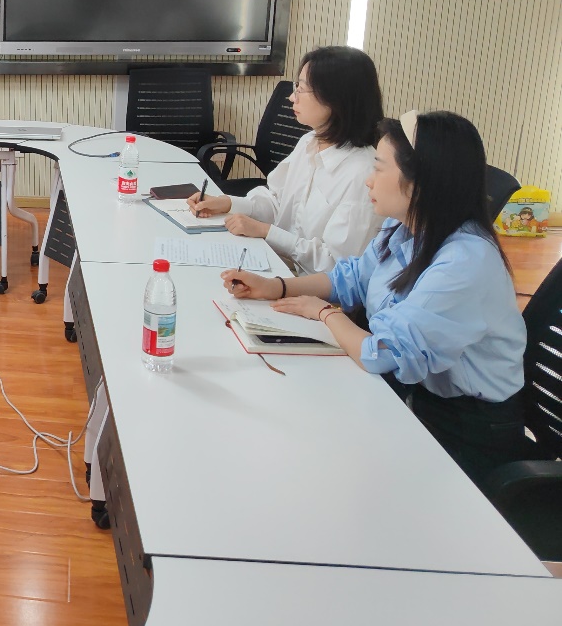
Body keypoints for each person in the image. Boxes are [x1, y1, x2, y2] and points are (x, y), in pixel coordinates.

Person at [222, 111, 528, 488]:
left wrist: (324, 314)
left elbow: (383, 354)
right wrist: (277, 286)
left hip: (469, 430)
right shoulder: (405, 226)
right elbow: (351, 278)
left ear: (420, 181)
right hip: (417, 397)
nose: (369, 179)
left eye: (379, 167)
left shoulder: (465, 261)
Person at [189, 46, 384, 274]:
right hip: (274, 264)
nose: (292, 97)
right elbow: (276, 201)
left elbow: (337, 266)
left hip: (310, 287)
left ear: (336, 98)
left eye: (301, 89)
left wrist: (267, 232)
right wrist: (228, 203)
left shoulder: (362, 174)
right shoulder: (309, 142)